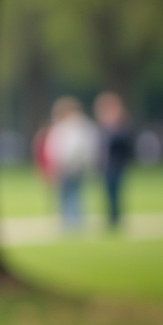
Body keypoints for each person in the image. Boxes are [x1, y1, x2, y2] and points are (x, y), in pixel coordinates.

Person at [44, 97, 99, 230]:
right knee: (67, 194)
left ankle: (73, 221)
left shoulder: (74, 127)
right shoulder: (73, 126)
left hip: (70, 165)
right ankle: (70, 220)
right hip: (66, 165)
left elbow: (76, 148)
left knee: (71, 193)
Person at [93, 92, 132, 230]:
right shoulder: (102, 125)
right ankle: (111, 217)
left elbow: (124, 143)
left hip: (116, 164)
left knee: (115, 191)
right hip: (105, 165)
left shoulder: (120, 124)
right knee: (107, 192)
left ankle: (116, 218)